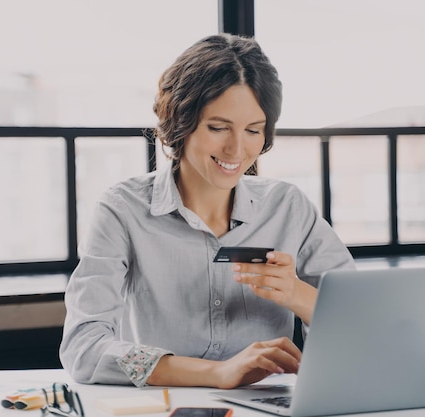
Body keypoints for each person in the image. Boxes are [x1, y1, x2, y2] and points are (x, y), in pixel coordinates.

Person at [59, 34, 355, 390]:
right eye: (218, 128)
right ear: (181, 120)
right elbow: (84, 346)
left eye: (253, 131)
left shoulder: (288, 207)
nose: (237, 149)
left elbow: (363, 329)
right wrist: (217, 373)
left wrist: (297, 294)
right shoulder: (123, 210)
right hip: (164, 407)